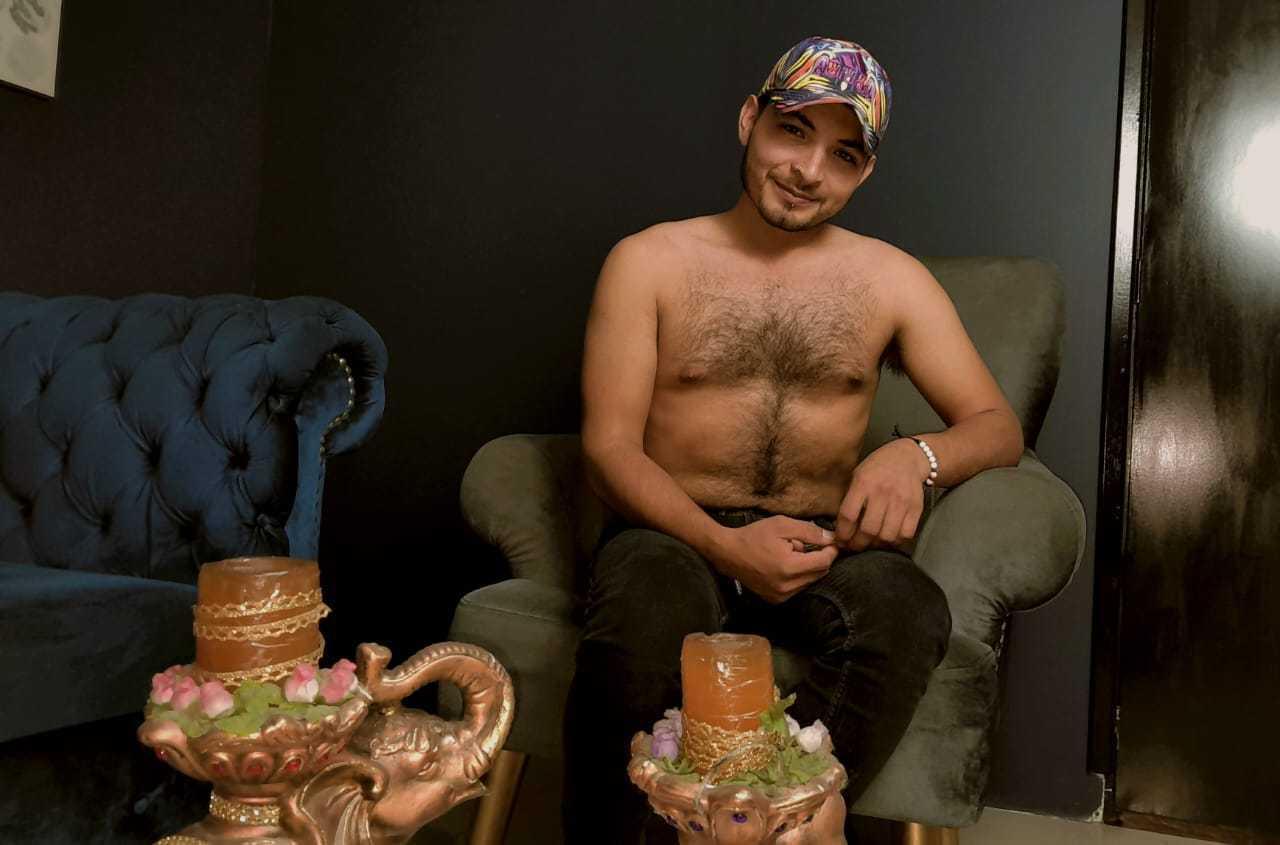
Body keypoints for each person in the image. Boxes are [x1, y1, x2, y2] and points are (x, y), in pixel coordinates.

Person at [563, 36, 1024, 843]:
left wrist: (911, 456)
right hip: (674, 533)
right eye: (794, 130)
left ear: (864, 172)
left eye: (843, 155)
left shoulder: (891, 279)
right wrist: (724, 546)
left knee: (907, 608)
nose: (809, 170)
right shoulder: (648, 261)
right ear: (751, 119)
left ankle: (778, 826)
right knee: (643, 613)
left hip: (823, 542)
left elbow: (997, 426)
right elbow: (608, 450)